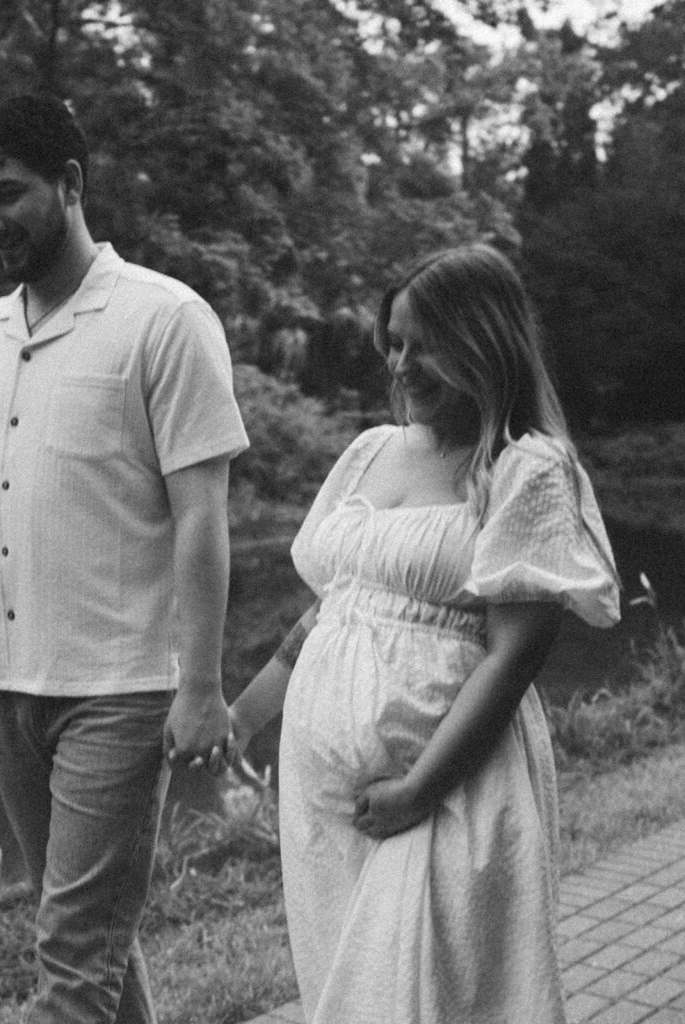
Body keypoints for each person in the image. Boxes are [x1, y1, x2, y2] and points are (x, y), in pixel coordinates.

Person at [0, 93, 248, 1024]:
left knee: (69, 963)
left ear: (70, 184)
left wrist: (202, 685)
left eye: (8, 194)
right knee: (88, 935)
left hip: (121, 686)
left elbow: (201, 517)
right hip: (8, 683)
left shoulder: (165, 319)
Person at [228, 244, 620, 1023]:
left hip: (449, 789)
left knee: (430, 1002)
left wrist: (418, 789)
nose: (402, 364)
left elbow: (513, 658)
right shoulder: (371, 450)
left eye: (425, 344)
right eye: (395, 343)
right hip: (327, 802)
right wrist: (245, 713)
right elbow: (333, 610)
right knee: (348, 997)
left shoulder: (526, 470)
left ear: (484, 341)